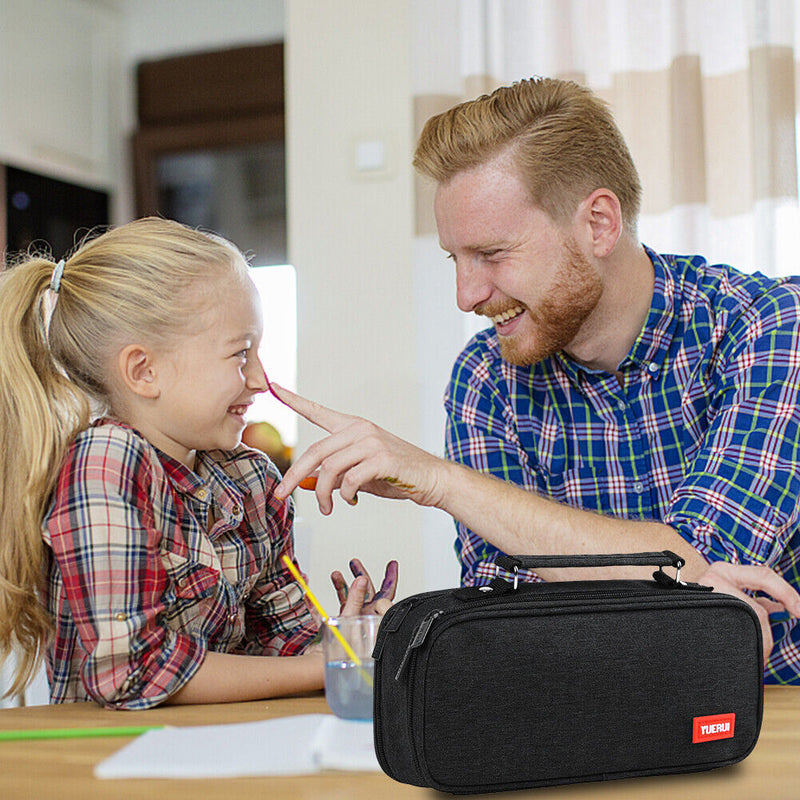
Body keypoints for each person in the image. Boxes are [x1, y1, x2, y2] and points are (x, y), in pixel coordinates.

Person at [272, 77, 800, 682]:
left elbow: (700, 594)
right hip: (585, 729)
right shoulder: (484, 377)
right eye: (455, 259)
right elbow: (510, 625)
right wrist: (657, 577)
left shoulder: (771, 327)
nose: (466, 295)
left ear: (599, 224)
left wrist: (442, 483)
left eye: (493, 255)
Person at [0, 217, 396, 709]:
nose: (259, 381)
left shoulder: (250, 477)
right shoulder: (104, 465)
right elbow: (131, 674)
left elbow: (286, 643)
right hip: (114, 764)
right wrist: (317, 665)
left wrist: (345, 639)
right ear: (144, 371)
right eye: (240, 353)